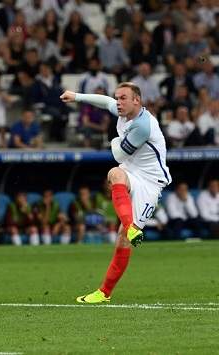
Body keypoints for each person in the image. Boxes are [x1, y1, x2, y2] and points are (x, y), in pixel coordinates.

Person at [61, 81, 171, 303]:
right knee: (114, 174)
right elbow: (105, 102)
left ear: (136, 100)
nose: (118, 102)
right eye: (117, 97)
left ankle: (105, 291)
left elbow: (119, 155)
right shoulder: (124, 111)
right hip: (131, 171)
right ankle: (104, 293)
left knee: (122, 240)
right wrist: (77, 96)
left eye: (123, 98)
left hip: (150, 182)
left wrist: (113, 140)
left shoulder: (143, 125)